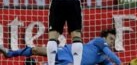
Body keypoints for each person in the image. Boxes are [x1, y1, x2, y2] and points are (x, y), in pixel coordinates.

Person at [0, 29, 128, 65]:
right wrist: (120, 63)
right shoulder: (100, 41)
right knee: (36, 50)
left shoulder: (104, 58)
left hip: (72, 61)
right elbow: (113, 56)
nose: (112, 42)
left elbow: (109, 62)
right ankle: (10, 53)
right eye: (111, 38)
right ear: (105, 38)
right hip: (67, 51)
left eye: (114, 40)